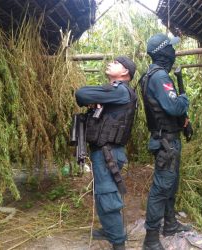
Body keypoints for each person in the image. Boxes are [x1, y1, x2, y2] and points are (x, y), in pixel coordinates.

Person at [75, 56, 137, 250]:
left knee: (107, 194)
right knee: (102, 192)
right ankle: (110, 229)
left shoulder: (120, 91)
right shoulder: (115, 93)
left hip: (108, 153)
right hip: (104, 152)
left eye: (116, 63)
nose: (110, 63)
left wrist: (93, 99)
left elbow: (81, 94)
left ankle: (118, 242)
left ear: (125, 72)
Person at [140, 33, 191, 250]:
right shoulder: (160, 76)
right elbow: (174, 107)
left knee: (170, 185)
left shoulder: (149, 75)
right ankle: (151, 239)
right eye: (171, 48)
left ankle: (170, 224)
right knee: (161, 188)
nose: (174, 52)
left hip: (166, 140)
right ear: (164, 52)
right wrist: (184, 97)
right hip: (166, 143)